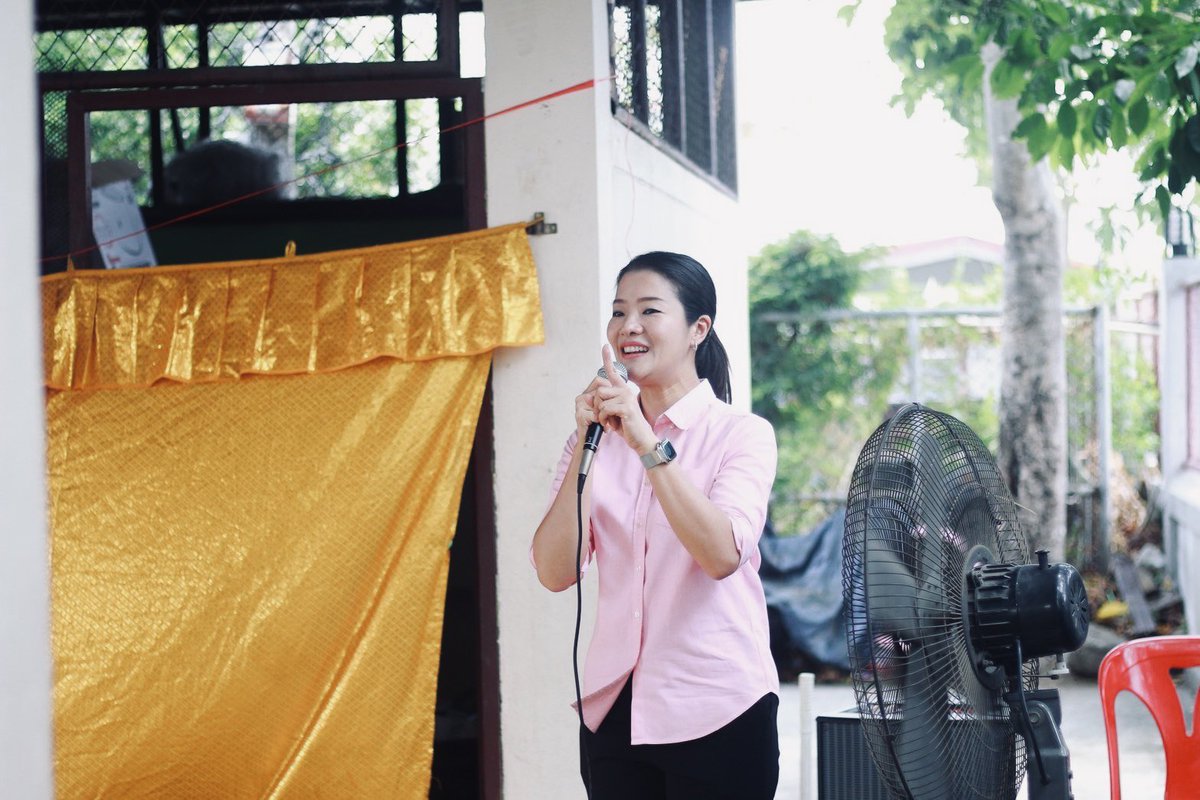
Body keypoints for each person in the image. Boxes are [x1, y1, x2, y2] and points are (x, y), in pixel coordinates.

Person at [531, 252, 780, 799]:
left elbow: (721, 555)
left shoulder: (742, 435)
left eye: (649, 310)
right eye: (619, 312)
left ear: (698, 329)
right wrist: (586, 441)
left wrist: (644, 440)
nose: (629, 327)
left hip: (718, 706)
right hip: (615, 707)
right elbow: (554, 571)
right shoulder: (592, 440)